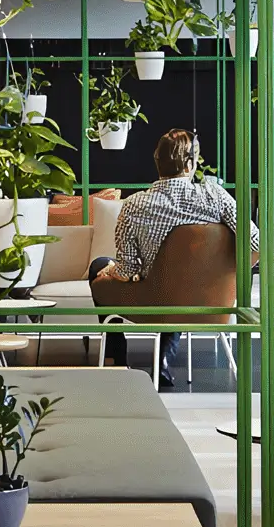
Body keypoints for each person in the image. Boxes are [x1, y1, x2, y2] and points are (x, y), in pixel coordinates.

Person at [102, 127, 241, 390]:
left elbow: (127, 268)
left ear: (157, 163)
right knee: (180, 281)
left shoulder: (135, 204)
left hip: (156, 300)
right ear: (189, 164)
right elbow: (253, 241)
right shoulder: (216, 196)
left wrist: (109, 271)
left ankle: (118, 359)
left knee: (102, 264)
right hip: (210, 299)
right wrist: (227, 271)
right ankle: (164, 357)